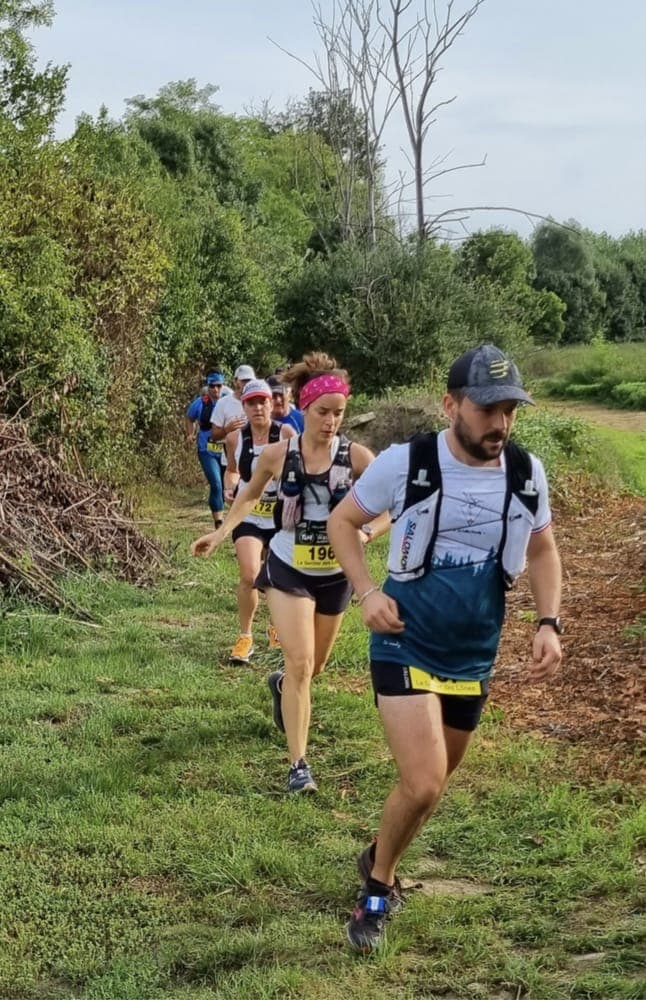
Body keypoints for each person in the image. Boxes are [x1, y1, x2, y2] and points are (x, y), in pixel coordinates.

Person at [327, 343, 563, 953]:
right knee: (426, 781)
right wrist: (367, 592)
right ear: (451, 404)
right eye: (487, 408)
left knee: (428, 784)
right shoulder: (407, 463)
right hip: (404, 643)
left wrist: (548, 622)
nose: (501, 423)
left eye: (510, 409)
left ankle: (380, 852)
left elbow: (540, 550)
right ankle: (376, 895)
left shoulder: (525, 471)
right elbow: (342, 524)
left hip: (473, 653)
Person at [191, 352, 384, 794]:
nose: (331, 421)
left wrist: (370, 530)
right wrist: (221, 534)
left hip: (335, 575)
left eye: (339, 413)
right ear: (302, 405)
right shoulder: (278, 455)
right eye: (322, 412)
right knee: (299, 663)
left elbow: (392, 499)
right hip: (288, 567)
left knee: (314, 668)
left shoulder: (357, 457)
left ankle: (281, 686)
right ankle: (299, 765)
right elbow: (247, 497)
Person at [222, 379, 296, 663]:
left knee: (275, 579)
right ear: (244, 406)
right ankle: (245, 637)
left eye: (262, 401)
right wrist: (231, 486)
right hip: (249, 515)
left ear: (272, 403)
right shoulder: (235, 439)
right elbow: (232, 471)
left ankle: (276, 627)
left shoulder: (287, 433)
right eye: (251, 403)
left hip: (280, 517)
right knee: (250, 575)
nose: (257, 408)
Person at [184, 371, 226, 528]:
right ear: (208, 386)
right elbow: (189, 417)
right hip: (206, 450)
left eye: (219, 386)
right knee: (216, 484)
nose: (215, 389)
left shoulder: (230, 401)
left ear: (223, 385)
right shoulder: (201, 402)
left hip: (226, 451)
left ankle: (226, 514)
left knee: (224, 486)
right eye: (212, 386)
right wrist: (190, 434)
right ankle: (218, 522)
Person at [209, 364, 256, 458]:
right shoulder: (223, 403)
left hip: (253, 460)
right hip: (229, 461)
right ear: (235, 381)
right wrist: (227, 429)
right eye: (243, 380)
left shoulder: (259, 403)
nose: (247, 384)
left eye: (249, 380)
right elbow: (214, 435)